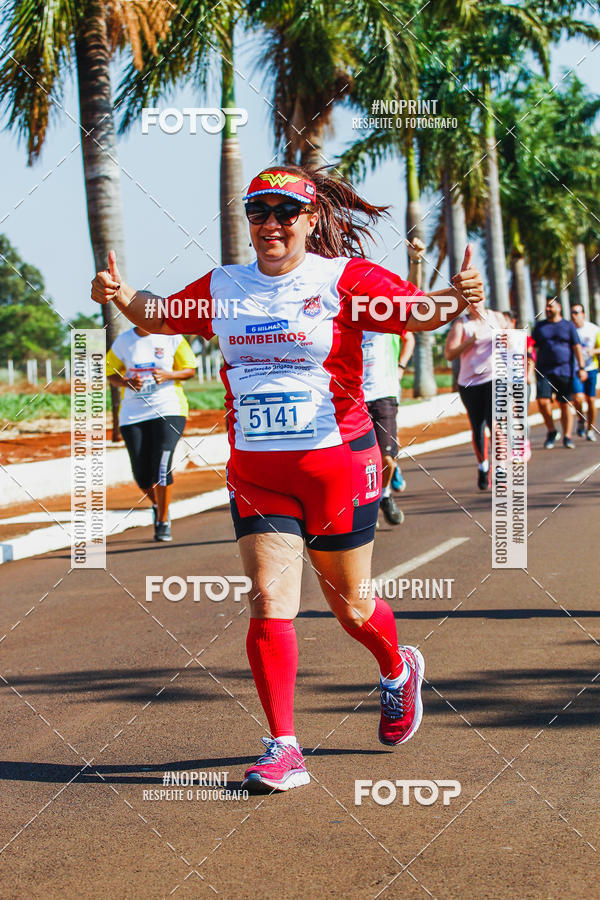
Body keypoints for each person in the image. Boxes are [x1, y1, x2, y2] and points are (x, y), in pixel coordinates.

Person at [91, 165, 485, 792]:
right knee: (269, 601)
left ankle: (396, 669)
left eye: (283, 212)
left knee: (350, 606)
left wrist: (456, 299)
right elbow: (161, 316)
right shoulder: (224, 286)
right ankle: (283, 746)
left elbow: (415, 314)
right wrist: (118, 293)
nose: (269, 224)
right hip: (257, 472)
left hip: (336, 465)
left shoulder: (343, 279)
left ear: (309, 218)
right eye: (258, 212)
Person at [106, 326, 197, 541]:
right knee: (142, 475)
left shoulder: (172, 337)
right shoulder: (124, 341)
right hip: (133, 414)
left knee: (162, 465)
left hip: (168, 408)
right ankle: (159, 504)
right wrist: (127, 382)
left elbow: (190, 369)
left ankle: (163, 521)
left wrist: (169, 375)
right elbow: (110, 373)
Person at [444, 300, 506, 489]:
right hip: (469, 383)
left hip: (494, 378)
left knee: (495, 423)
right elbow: (449, 354)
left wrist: (505, 339)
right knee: (477, 427)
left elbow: (512, 344)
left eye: (477, 300)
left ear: (484, 299)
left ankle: (501, 469)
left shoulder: (497, 318)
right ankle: (483, 466)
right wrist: (470, 341)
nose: (474, 304)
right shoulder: (462, 324)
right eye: (470, 302)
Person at [532, 297, 587, 450]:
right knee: (542, 402)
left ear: (559, 308)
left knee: (565, 404)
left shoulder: (568, 326)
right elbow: (532, 347)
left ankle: (567, 436)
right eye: (546, 307)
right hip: (544, 371)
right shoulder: (540, 327)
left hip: (565, 371)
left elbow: (577, 347)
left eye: (551, 306)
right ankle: (551, 431)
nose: (548, 309)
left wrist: (581, 367)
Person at [570, 303, 600, 441]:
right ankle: (581, 420)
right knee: (577, 398)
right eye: (572, 313)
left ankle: (590, 429)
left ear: (583, 314)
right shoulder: (569, 329)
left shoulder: (593, 329)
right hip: (575, 369)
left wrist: (593, 351)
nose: (574, 316)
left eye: (577, 312)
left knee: (591, 400)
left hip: (591, 367)